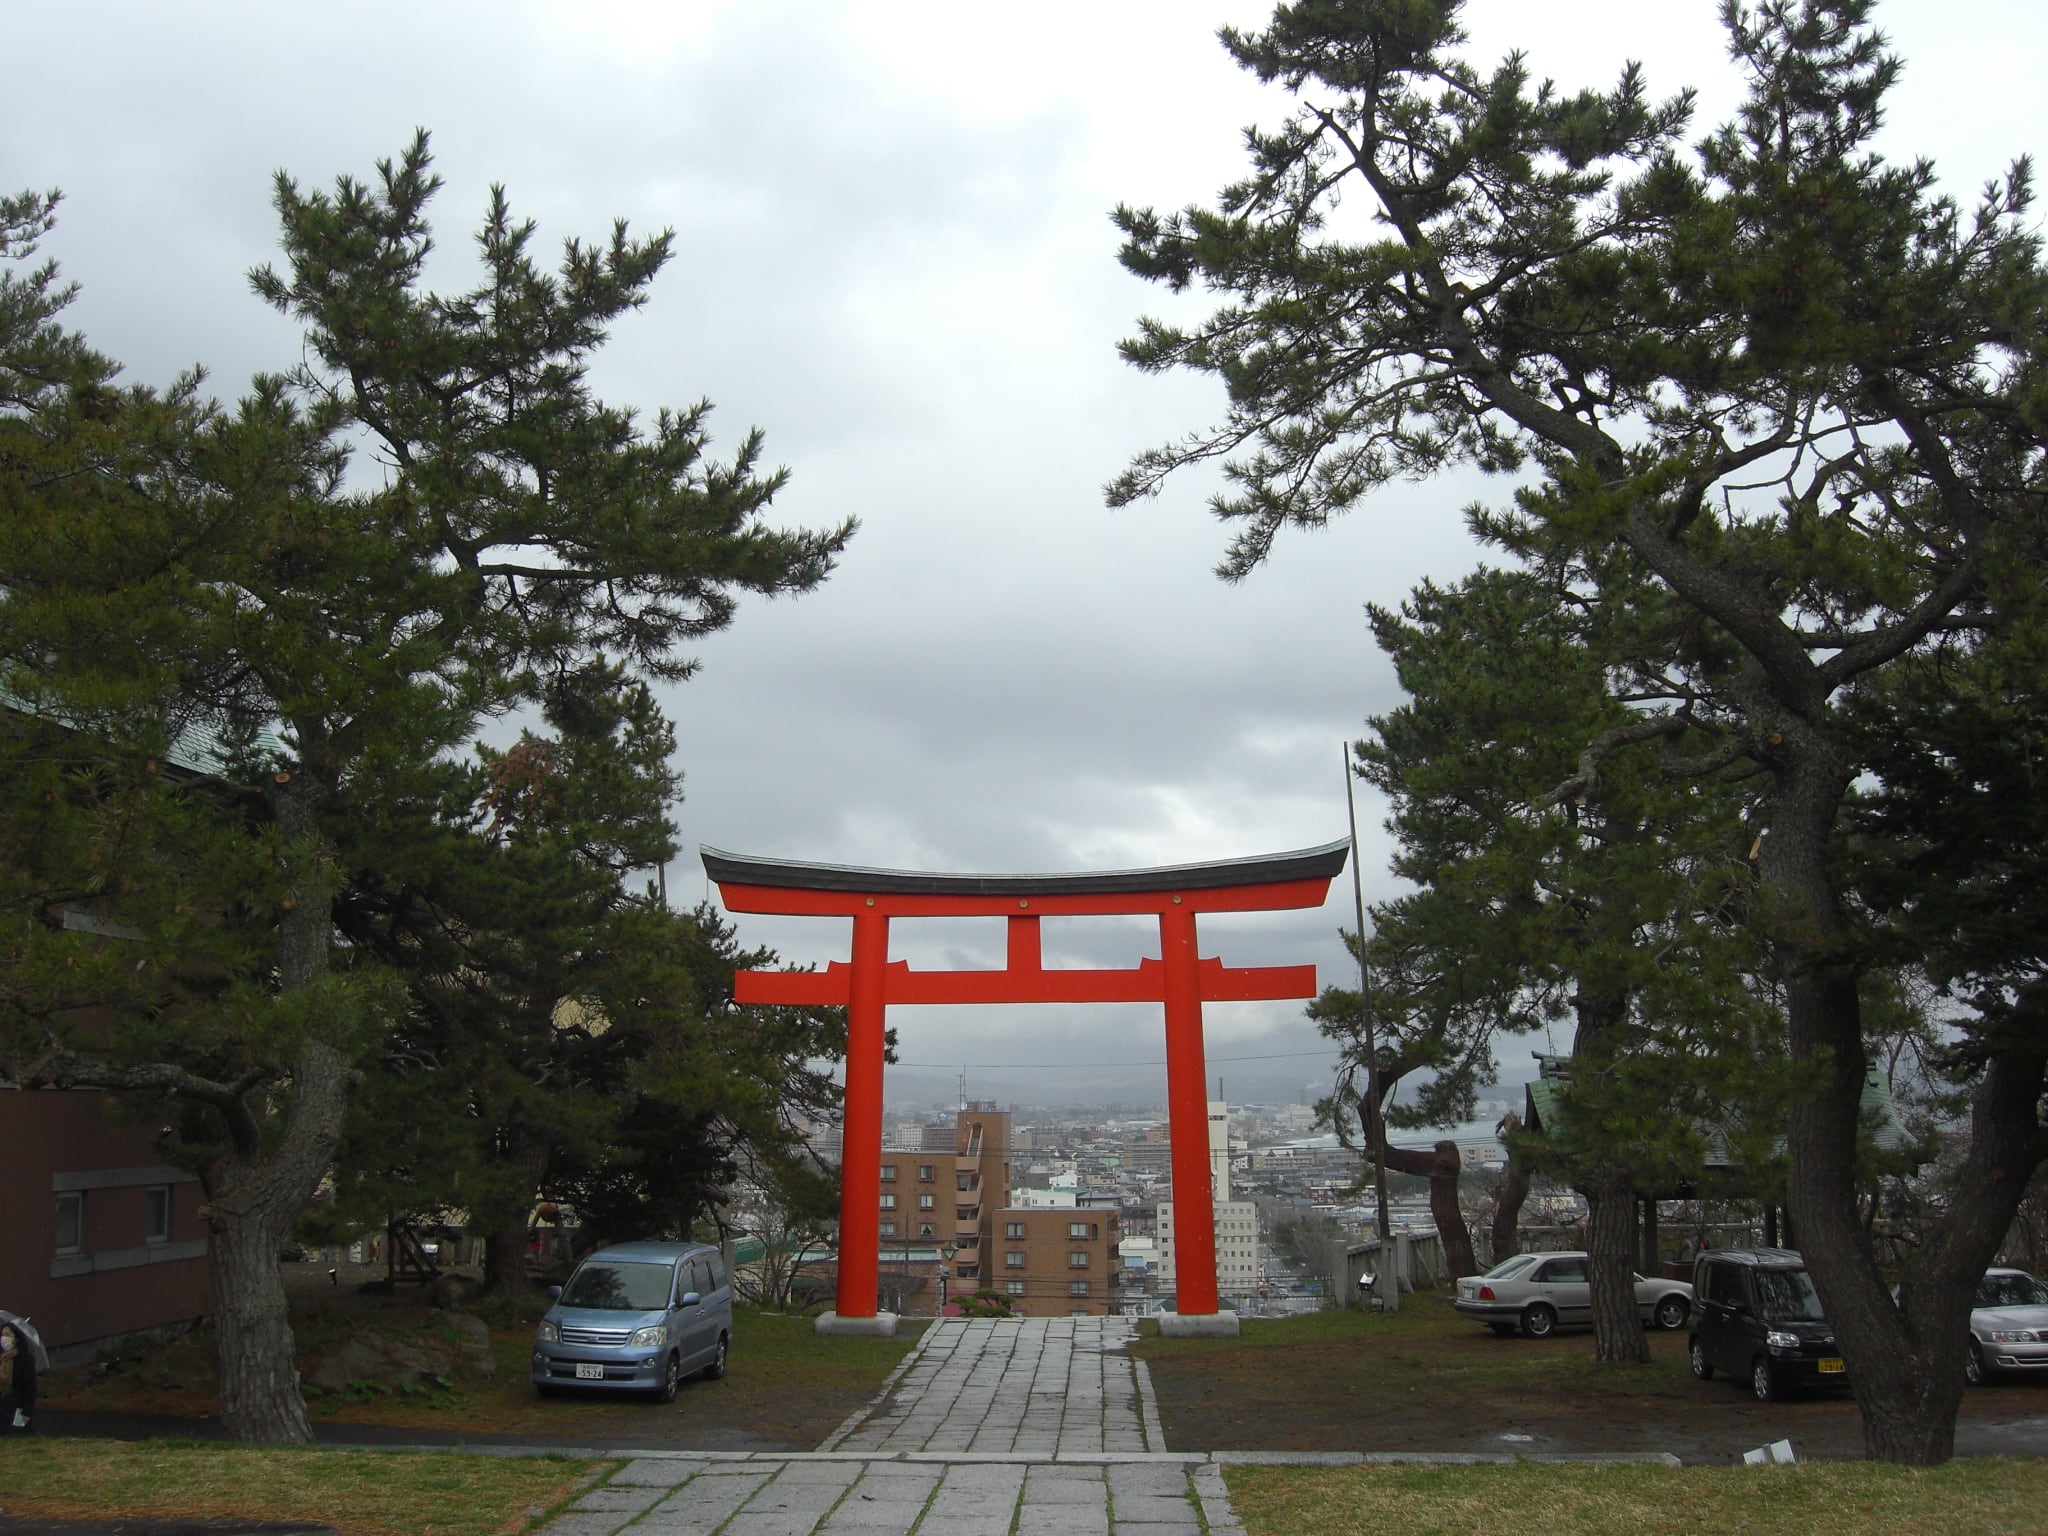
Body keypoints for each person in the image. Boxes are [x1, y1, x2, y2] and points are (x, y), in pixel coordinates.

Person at [0, 1321, 36, 1433]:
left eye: (7, 1335)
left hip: (18, 1407)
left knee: (18, 1436)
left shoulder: (25, 1359)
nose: (3, 1338)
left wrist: (27, 1412)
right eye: (2, 1335)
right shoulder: (1, 1359)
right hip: (2, 1406)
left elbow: (30, 1386)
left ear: (16, 1338)